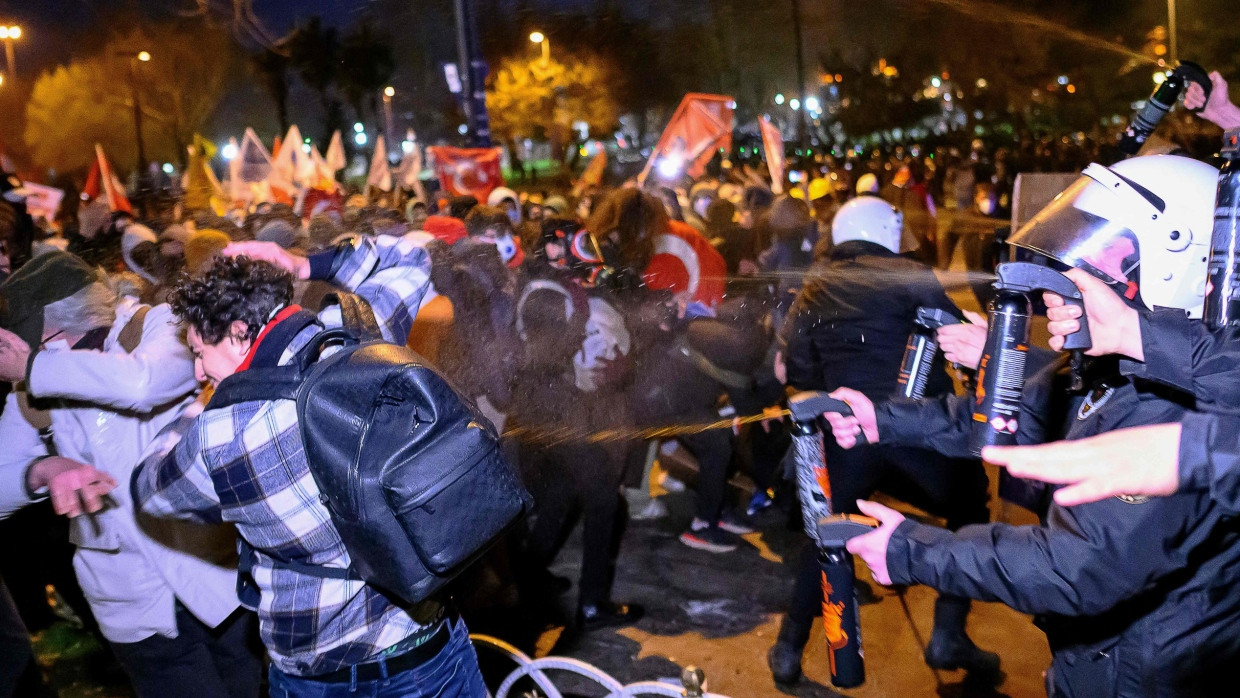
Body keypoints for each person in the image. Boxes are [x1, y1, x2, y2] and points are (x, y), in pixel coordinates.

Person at [839, 154, 1240, 696]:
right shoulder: (1112, 362)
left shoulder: (1182, 409)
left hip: (1146, 677)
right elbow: (1006, 418)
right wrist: (879, 420)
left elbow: (1077, 568)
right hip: (1094, 661)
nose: (1061, 283)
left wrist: (911, 550)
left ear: (1172, 266)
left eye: (1096, 260)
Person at [130, 237, 487, 696]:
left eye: (200, 352)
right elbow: (413, 258)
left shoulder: (218, 437)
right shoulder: (354, 334)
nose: (199, 371)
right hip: (423, 653)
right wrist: (304, 262)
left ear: (240, 332)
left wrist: (200, 408)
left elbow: (149, 487)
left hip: (319, 678)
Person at [0, 251, 259, 698]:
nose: (34, 359)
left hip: (219, 581)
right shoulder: (32, 392)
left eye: (40, 344)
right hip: (134, 608)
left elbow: (140, 386)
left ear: (74, 321)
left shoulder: (160, 325)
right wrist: (42, 470)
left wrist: (32, 366)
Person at [768, 195, 997, 686]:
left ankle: (789, 646)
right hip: (919, 431)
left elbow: (801, 371)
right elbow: (960, 339)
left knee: (825, 535)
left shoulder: (816, 286)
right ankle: (949, 632)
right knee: (970, 512)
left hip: (849, 433)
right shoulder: (909, 273)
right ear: (886, 231)